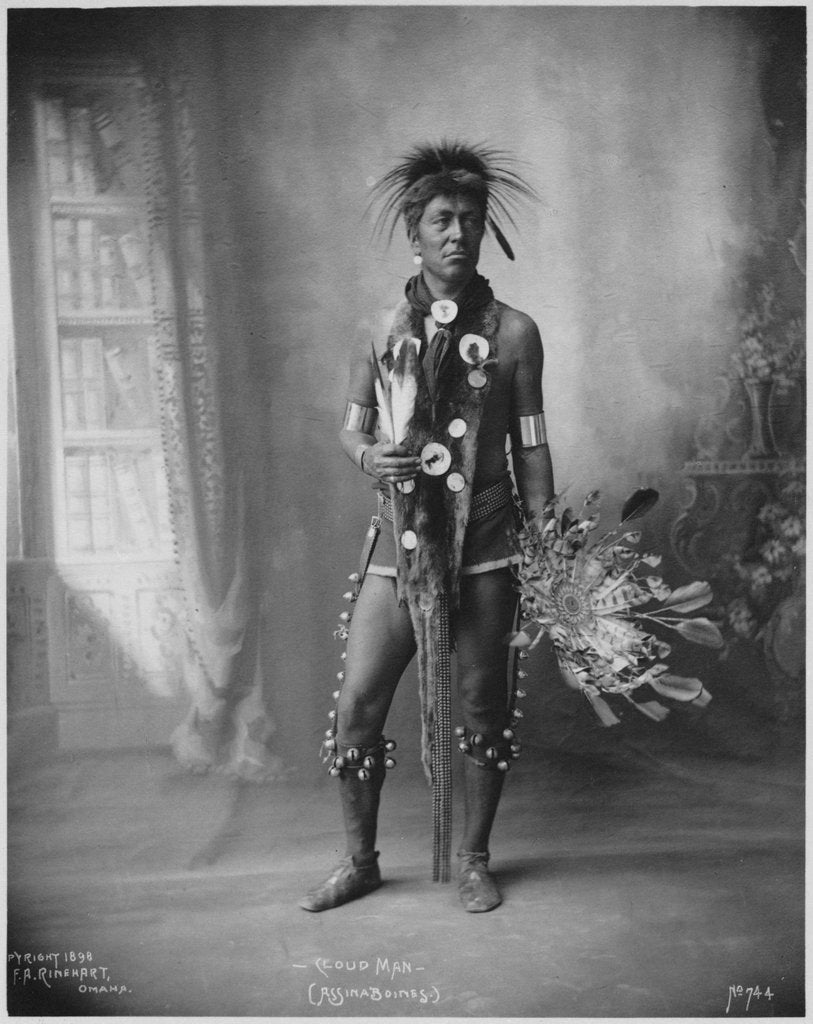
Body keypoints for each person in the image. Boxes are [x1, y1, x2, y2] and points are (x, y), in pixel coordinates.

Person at [300, 141, 554, 914]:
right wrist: (368, 456)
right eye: (442, 219)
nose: (457, 234)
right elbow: (351, 429)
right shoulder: (379, 329)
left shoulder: (515, 334)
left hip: (487, 546)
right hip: (399, 544)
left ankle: (473, 860)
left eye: (469, 220)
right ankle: (359, 860)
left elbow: (531, 446)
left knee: (481, 707)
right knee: (357, 707)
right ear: (414, 231)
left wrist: (547, 543)